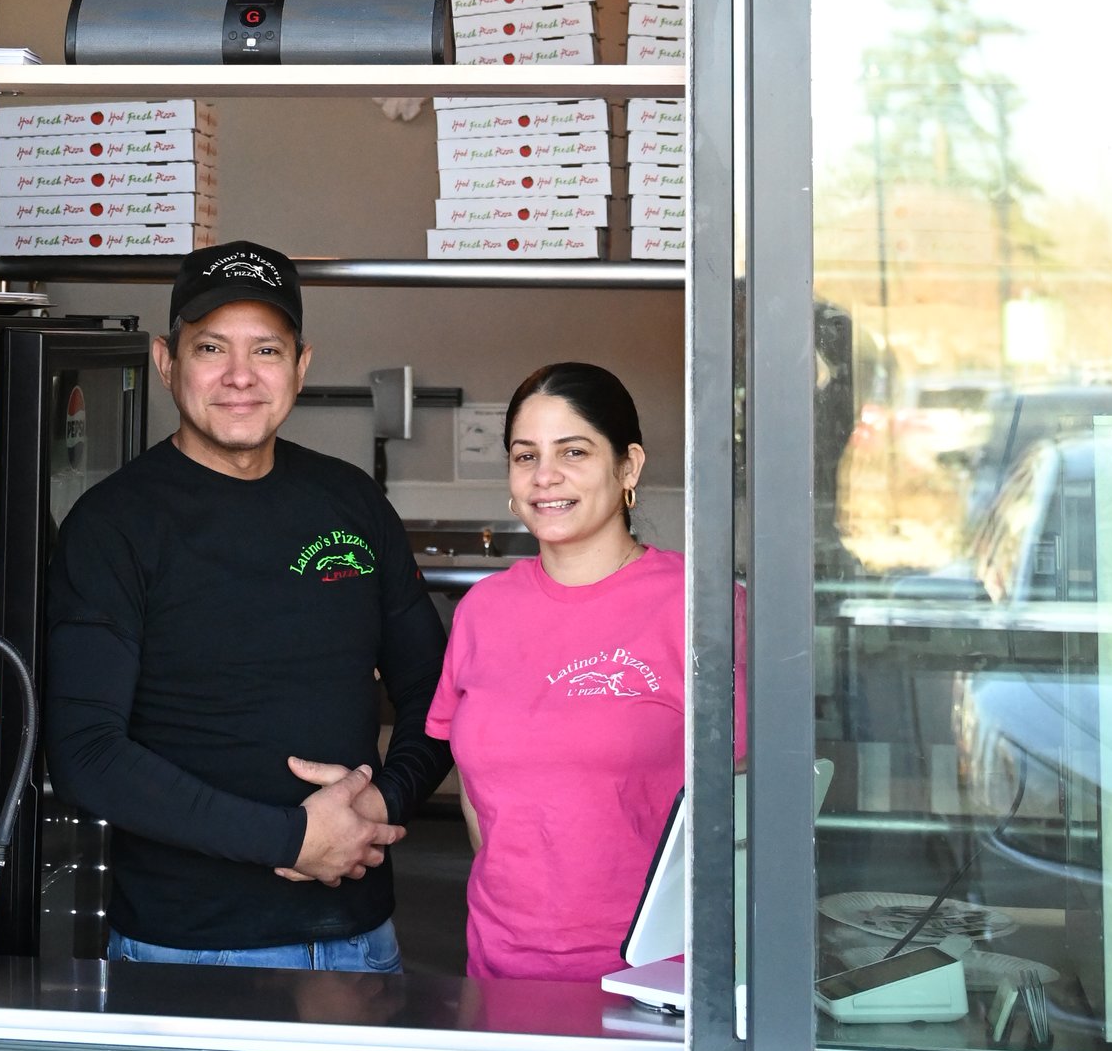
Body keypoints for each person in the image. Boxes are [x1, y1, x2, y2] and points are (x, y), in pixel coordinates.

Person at [44, 241, 449, 969]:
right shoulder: (113, 527)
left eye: (266, 349)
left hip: (359, 941)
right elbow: (86, 754)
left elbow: (441, 695)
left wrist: (381, 806)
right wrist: (291, 840)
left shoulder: (351, 500)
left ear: (301, 365)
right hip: (187, 950)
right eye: (211, 348)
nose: (240, 376)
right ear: (167, 362)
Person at [426, 361, 685, 983]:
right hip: (500, 970)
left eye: (574, 451)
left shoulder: (695, 608)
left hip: (656, 981)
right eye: (525, 456)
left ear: (629, 466)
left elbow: (751, 807)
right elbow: (479, 796)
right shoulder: (482, 611)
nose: (545, 477)